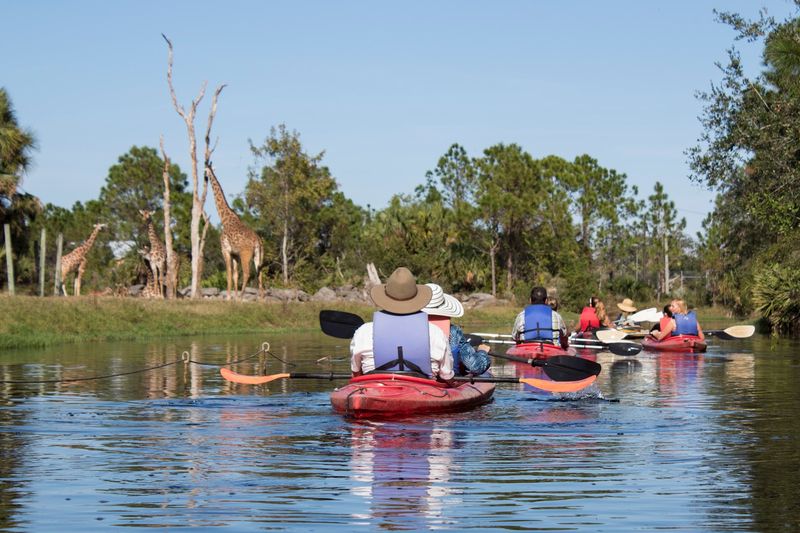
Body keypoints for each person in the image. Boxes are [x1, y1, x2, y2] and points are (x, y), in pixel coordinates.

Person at [350, 267, 454, 381]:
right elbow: (446, 375)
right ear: (416, 298)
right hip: (424, 388)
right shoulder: (435, 332)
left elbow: (356, 372)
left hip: (373, 387)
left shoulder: (364, 331)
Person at [421, 283, 491, 376]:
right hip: (445, 381)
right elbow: (475, 366)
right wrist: (482, 352)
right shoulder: (453, 332)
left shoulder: (411, 328)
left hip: (416, 379)